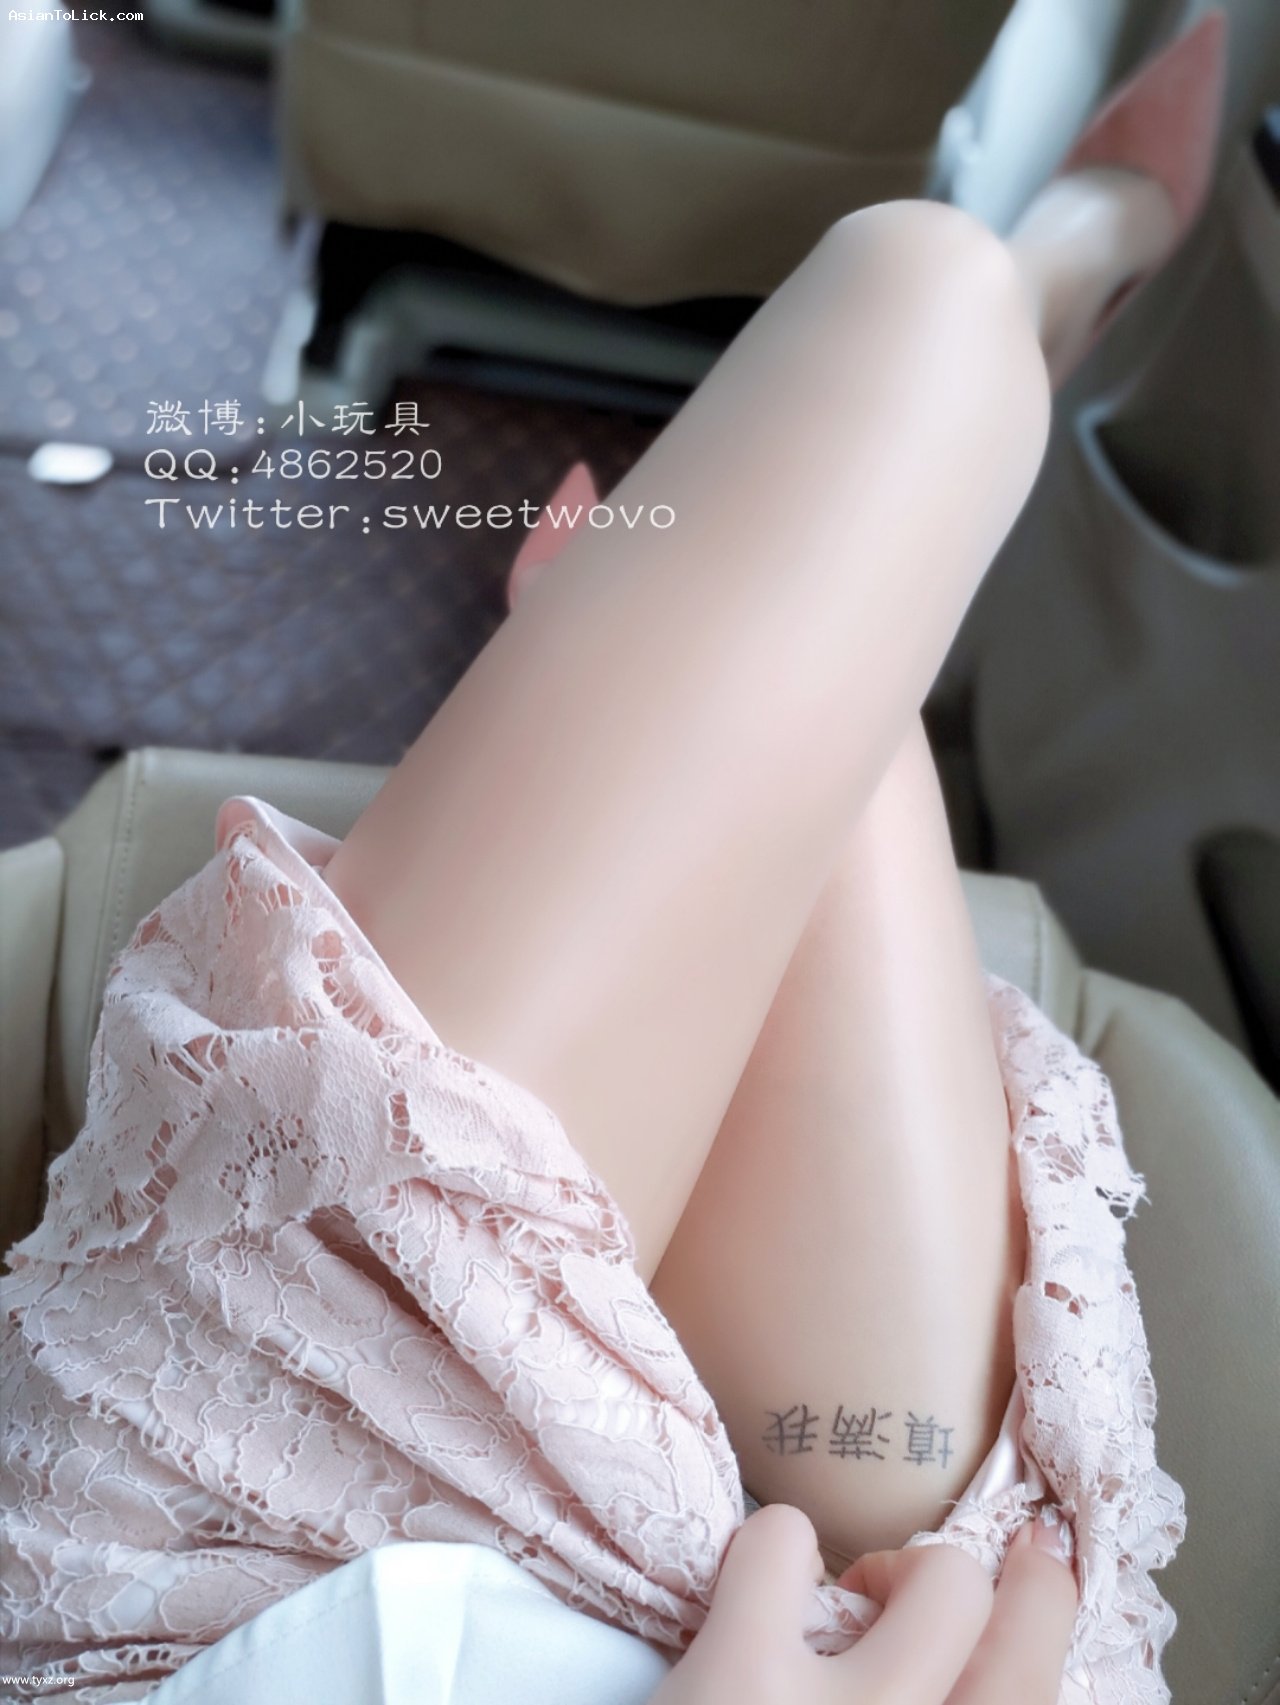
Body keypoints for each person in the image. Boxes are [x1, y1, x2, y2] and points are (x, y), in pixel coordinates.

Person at [1, 15, 1225, 1703]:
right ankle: (1052, 278)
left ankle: (988, 337)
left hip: (270, 1573)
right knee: (901, 341)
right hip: (876, 1642)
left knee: (898, 341)